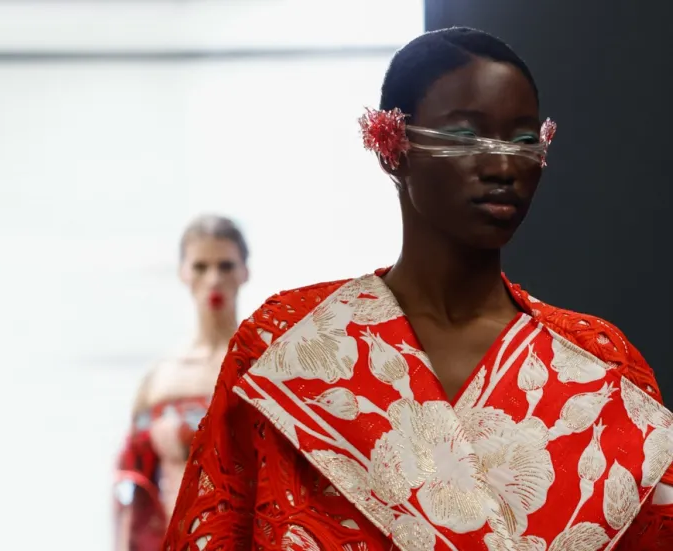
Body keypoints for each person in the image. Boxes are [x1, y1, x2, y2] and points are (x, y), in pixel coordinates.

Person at [163, 28, 673, 550]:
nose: (502, 166)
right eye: (463, 137)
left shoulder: (600, 365)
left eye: (524, 142)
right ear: (391, 147)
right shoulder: (288, 345)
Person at [112, 214, 250, 551]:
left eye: (226, 266)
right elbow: (132, 488)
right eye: (201, 267)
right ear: (183, 273)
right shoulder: (159, 380)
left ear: (244, 272)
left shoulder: (263, 367)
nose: (214, 279)